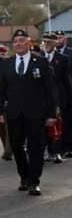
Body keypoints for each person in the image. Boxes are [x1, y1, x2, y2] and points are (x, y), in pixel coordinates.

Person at [0, 29, 58, 196]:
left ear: (29, 43)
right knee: (16, 146)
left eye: (22, 40)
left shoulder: (41, 62)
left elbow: (50, 90)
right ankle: (24, 176)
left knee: (36, 147)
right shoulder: (7, 64)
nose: (18, 44)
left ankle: (34, 181)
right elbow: (1, 90)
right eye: (15, 41)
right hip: (14, 114)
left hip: (36, 113)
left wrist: (52, 114)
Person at [41, 33, 70, 163]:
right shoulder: (38, 58)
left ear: (54, 44)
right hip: (44, 97)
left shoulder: (62, 59)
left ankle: (58, 151)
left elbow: (66, 80)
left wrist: (68, 97)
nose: (47, 44)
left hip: (59, 95)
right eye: (45, 41)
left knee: (58, 123)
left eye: (49, 42)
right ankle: (49, 150)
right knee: (45, 124)